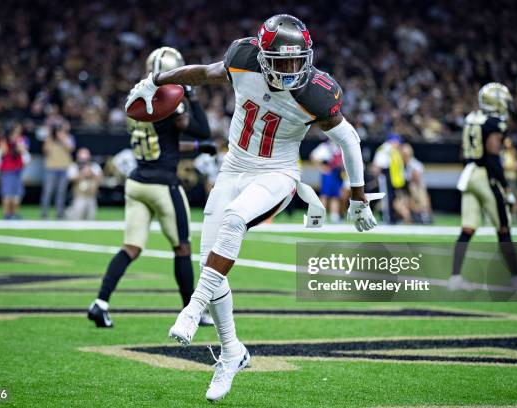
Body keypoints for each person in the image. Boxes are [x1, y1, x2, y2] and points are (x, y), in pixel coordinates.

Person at [125, 14, 382, 401]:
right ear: (262, 56)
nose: (291, 70)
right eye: (281, 62)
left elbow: (349, 139)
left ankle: (193, 308)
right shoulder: (242, 58)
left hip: (277, 173)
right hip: (234, 169)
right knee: (210, 264)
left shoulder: (316, 92)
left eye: (298, 61)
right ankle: (232, 353)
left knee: (233, 221)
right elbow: (205, 72)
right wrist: (157, 79)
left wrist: (358, 195)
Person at [88, 47, 215, 329]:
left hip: (136, 182)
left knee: (130, 248)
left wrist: (194, 147)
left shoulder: (137, 96)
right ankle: (189, 312)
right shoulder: (168, 97)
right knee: (182, 248)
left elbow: (163, 141)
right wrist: (191, 94)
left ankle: (100, 303)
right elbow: (199, 128)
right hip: (162, 185)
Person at [450, 83, 517, 290]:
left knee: (467, 227)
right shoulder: (494, 123)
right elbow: (492, 155)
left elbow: (464, 152)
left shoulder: (471, 119)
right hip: (485, 176)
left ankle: (454, 278)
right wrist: (505, 186)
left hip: (469, 173)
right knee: (503, 227)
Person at [0, 122, 30, 219]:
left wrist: (21, 149)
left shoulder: (20, 142)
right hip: (7, 171)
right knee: (7, 194)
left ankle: (14, 213)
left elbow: (26, 157)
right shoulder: (4, 142)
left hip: (17, 171)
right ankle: (6, 214)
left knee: (17, 195)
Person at [40, 122, 75, 219]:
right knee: (48, 191)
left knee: (61, 192)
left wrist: (62, 138)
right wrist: (50, 138)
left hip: (63, 168)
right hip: (51, 168)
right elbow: (45, 150)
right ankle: (44, 212)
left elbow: (70, 148)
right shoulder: (49, 139)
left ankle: (59, 213)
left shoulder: (68, 138)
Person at [371, 134, 406, 224]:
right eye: (397, 142)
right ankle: (387, 218)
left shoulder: (391, 150)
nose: (398, 145)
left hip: (392, 179)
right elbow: (377, 166)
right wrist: (377, 178)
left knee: (391, 198)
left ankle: (391, 218)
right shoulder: (385, 149)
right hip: (385, 177)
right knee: (387, 198)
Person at [310, 139, 345, 223]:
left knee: (336, 195)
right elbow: (313, 157)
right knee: (324, 195)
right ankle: (321, 215)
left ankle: (334, 216)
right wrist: (321, 167)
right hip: (328, 173)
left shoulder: (339, 146)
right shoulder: (325, 146)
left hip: (337, 173)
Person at [65, 148, 102, 220]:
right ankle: (68, 213)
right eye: (82, 159)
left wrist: (91, 173)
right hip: (79, 196)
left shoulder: (94, 166)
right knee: (77, 217)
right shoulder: (74, 166)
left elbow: (100, 178)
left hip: (91, 196)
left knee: (91, 217)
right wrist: (82, 174)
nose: (84, 161)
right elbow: (71, 179)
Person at [401, 143, 432, 224]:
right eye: (403, 154)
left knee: (416, 191)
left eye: (406, 154)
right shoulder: (400, 165)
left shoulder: (415, 165)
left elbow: (418, 182)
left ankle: (424, 215)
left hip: (416, 191)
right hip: (404, 191)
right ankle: (409, 217)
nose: (405, 156)